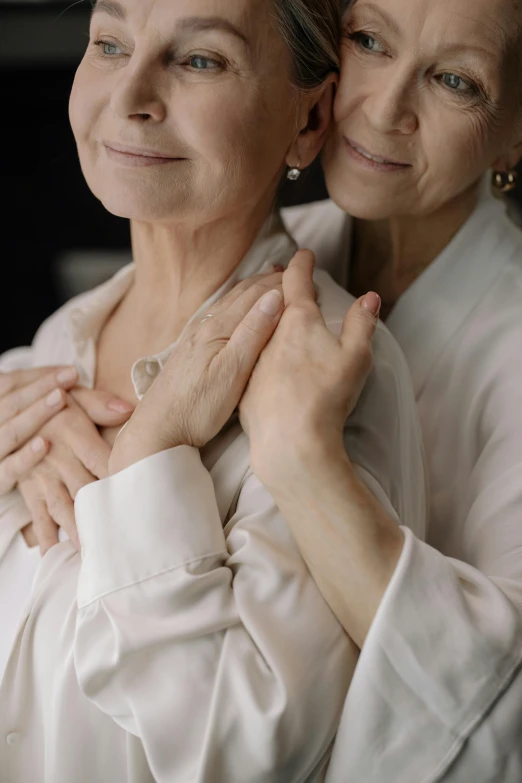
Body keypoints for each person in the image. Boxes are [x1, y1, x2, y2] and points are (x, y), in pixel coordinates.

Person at [0, 1, 426, 781]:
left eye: (200, 59)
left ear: (309, 119)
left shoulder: (325, 369)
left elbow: (243, 754)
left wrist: (146, 458)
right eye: (110, 43)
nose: (131, 94)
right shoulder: (49, 348)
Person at [236, 0, 522, 779]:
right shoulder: (283, 250)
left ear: (517, 130)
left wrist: (302, 459)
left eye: (456, 81)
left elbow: (505, 715)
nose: (384, 108)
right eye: (368, 41)